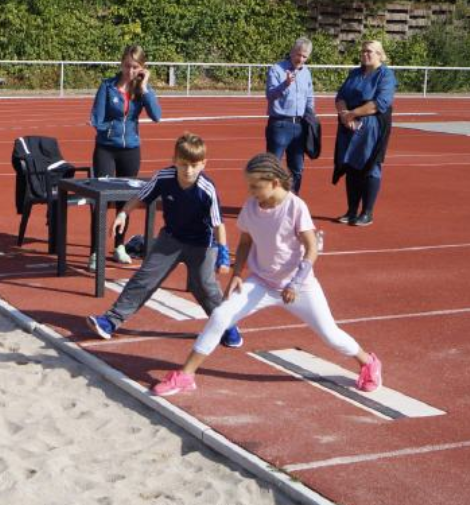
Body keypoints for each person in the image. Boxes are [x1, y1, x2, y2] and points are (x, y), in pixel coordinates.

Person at [151, 153, 382, 397]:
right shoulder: (252, 206)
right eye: (249, 186)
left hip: (299, 287)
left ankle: (368, 362)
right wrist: (237, 274)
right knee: (220, 316)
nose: (251, 192)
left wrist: (295, 283)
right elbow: (245, 242)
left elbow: (312, 248)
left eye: (255, 186)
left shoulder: (295, 207)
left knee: (331, 335)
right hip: (261, 282)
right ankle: (186, 376)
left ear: (274, 182)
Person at [87, 133, 244, 348]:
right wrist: (123, 213)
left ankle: (227, 326)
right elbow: (140, 197)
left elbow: (218, 224)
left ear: (203, 164)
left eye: (194, 165)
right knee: (144, 278)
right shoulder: (163, 177)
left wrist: (223, 254)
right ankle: (110, 321)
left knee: (204, 288)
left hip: (202, 244)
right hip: (171, 239)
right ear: (174, 161)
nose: (188, 170)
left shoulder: (207, 189)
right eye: (183, 164)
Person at [89, 44, 162, 268]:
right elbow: (96, 119)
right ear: (121, 64)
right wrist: (110, 129)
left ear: (142, 68)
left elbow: (156, 115)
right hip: (106, 149)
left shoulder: (141, 90)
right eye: (127, 66)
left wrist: (145, 87)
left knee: (126, 200)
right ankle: (95, 252)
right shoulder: (107, 86)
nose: (130, 71)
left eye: (135, 67)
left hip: (131, 150)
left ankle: (119, 246)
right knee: (101, 200)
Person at [333, 40, 396, 227]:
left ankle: (367, 213)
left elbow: (379, 103)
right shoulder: (355, 73)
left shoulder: (386, 75)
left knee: (370, 167)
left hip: (372, 126)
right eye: (363, 51)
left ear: (380, 55)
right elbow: (340, 97)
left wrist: (352, 114)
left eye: (369, 51)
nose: (365, 54)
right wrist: (345, 115)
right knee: (351, 166)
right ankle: (351, 210)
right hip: (349, 124)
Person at [265, 38, 315, 194]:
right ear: (292, 52)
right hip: (280, 124)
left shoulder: (306, 72)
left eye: (305, 56)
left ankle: (292, 199)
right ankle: (271, 199)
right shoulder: (277, 69)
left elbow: (309, 97)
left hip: (299, 126)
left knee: (297, 168)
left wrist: (311, 117)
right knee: (273, 167)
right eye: (298, 55)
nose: (301, 59)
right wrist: (285, 84)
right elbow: (270, 95)